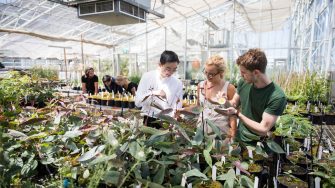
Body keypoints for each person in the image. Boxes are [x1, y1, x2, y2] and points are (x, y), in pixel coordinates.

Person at [135, 50, 183, 128]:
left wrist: (173, 122)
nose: (171, 72)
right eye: (168, 69)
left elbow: (177, 106)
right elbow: (138, 102)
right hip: (148, 119)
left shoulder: (177, 83)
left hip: (166, 121)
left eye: (174, 69)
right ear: (160, 64)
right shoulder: (147, 77)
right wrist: (153, 93)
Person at [197, 55, 237, 139]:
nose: (207, 76)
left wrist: (233, 134)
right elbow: (198, 108)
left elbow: (233, 114)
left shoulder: (229, 88)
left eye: (211, 74)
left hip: (221, 133)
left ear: (221, 73)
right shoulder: (201, 86)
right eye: (206, 72)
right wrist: (183, 111)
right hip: (201, 132)